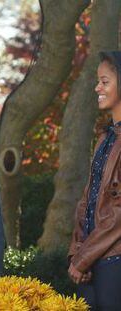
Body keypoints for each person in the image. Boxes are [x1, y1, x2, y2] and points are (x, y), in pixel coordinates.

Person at [68, 51, 121, 310]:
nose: (97, 87)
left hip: (114, 261)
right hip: (92, 261)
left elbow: (118, 214)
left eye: (105, 81)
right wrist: (77, 253)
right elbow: (87, 201)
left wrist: (83, 258)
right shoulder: (106, 137)